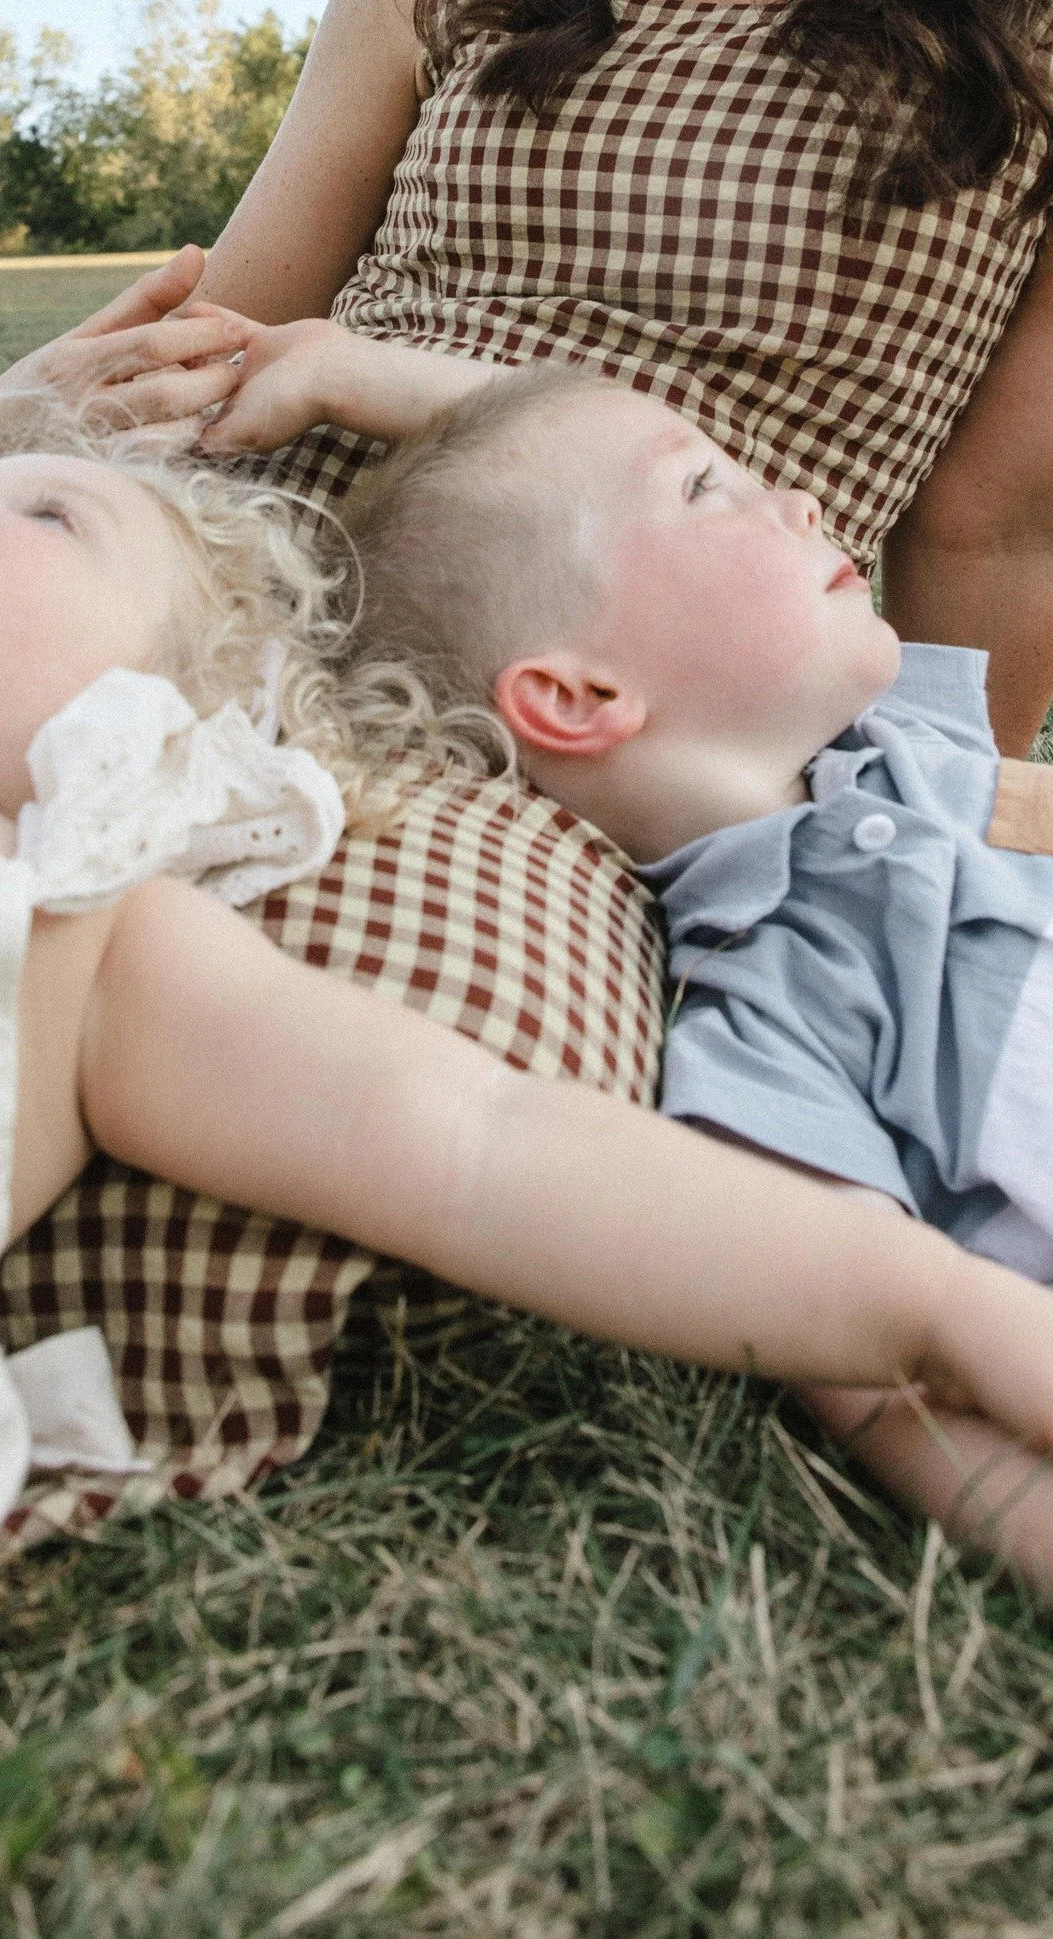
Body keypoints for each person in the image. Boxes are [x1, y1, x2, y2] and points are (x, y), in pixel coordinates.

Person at [0, 431, 1053, 1934]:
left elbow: (484, 1144)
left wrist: (936, 1308)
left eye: (48, 515)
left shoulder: (81, 923)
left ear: (160, 721)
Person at [254, 342, 1053, 1594]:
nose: (798, 497)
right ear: (579, 696)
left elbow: (568, 470)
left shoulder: (909, 752)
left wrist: (345, 372)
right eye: (706, 488)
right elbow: (875, 1379)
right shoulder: (762, 1017)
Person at [0, 0, 1053, 752]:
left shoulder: (1024, 37)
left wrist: (949, 854)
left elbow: (996, 533)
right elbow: (227, 341)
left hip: (632, 700)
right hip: (232, 591)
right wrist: (42, 436)